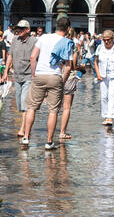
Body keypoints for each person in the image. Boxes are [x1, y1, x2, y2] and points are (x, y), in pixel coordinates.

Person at [21, 17, 75, 150]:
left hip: (39, 74)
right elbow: (68, 67)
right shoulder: (67, 42)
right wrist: (62, 81)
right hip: (55, 76)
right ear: (68, 29)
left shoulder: (43, 37)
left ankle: (26, 137)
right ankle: (49, 141)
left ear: (55, 26)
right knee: (53, 110)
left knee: (31, 107)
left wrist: (34, 74)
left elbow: (33, 57)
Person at [5, 20, 37, 119]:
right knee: (19, 103)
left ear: (28, 30)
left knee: (24, 103)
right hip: (17, 76)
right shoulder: (15, 40)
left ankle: (23, 129)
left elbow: (36, 58)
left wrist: (34, 76)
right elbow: (10, 56)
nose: (19, 30)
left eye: (22, 28)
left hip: (28, 76)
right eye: (18, 28)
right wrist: (5, 72)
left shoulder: (34, 41)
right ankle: (24, 127)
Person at [95, 29, 114, 127]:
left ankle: (110, 117)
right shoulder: (100, 47)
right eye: (104, 40)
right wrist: (97, 73)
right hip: (103, 75)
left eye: (108, 39)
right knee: (104, 96)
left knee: (112, 95)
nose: (106, 42)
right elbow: (95, 61)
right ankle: (105, 115)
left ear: (112, 38)